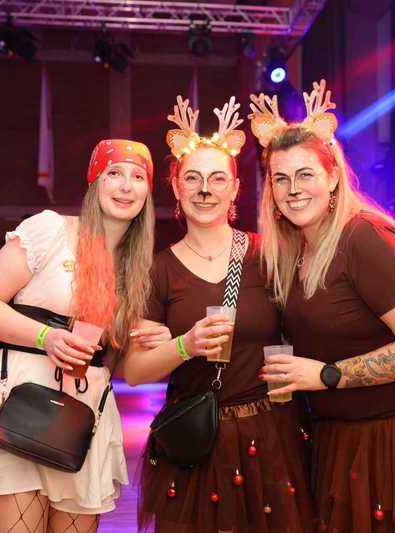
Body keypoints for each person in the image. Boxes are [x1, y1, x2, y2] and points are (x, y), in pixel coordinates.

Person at [253, 81, 395, 533]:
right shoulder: (293, 252)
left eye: (305, 174)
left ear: (333, 177)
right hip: (341, 434)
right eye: (281, 178)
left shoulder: (366, 237)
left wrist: (327, 374)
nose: (293, 189)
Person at [0, 139, 170, 532]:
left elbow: (107, 349)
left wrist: (136, 335)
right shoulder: (52, 229)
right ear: (95, 182)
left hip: (84, 412)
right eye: (114, 173)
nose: (126, 186)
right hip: (22, 401)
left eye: (138, 177)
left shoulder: (135, 266)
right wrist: (47, 337)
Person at [125, 96, 315, 533]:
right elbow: (135, 371)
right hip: (197, 441)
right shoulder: (157, 270)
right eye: (192, 179)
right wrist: (184, 345)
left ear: (234, 188)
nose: (204, 190)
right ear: (176, 188)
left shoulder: (269, 256)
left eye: (217, 179)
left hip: (271, 436)